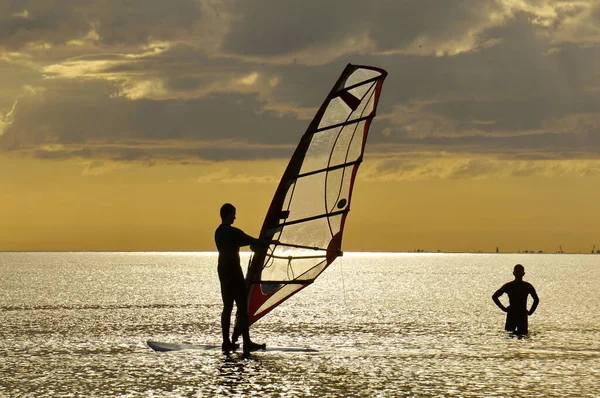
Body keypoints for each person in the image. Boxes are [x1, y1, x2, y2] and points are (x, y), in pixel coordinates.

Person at [215, 203, 277, 354]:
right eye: (234, 214)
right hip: (234, 272)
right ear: (228, 214)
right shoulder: (233, 232)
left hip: (223, 271)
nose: (235, 217)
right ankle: (246, 342)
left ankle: (226, 342)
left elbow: (245, 242)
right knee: (242, 307)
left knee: (227, 306)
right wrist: (270, 242)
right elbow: (253, 241)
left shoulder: (218, 232)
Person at [492, 264, 539, 335]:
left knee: (511, 334)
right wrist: (503, 309)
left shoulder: (512, 286)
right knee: (519, 335)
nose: (518, 274)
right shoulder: (526, 286)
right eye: (517, 272)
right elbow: (494, 296)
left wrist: (530, 312)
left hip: (517, 314)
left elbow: (536, 299)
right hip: (518, 314)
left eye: (519, 272)